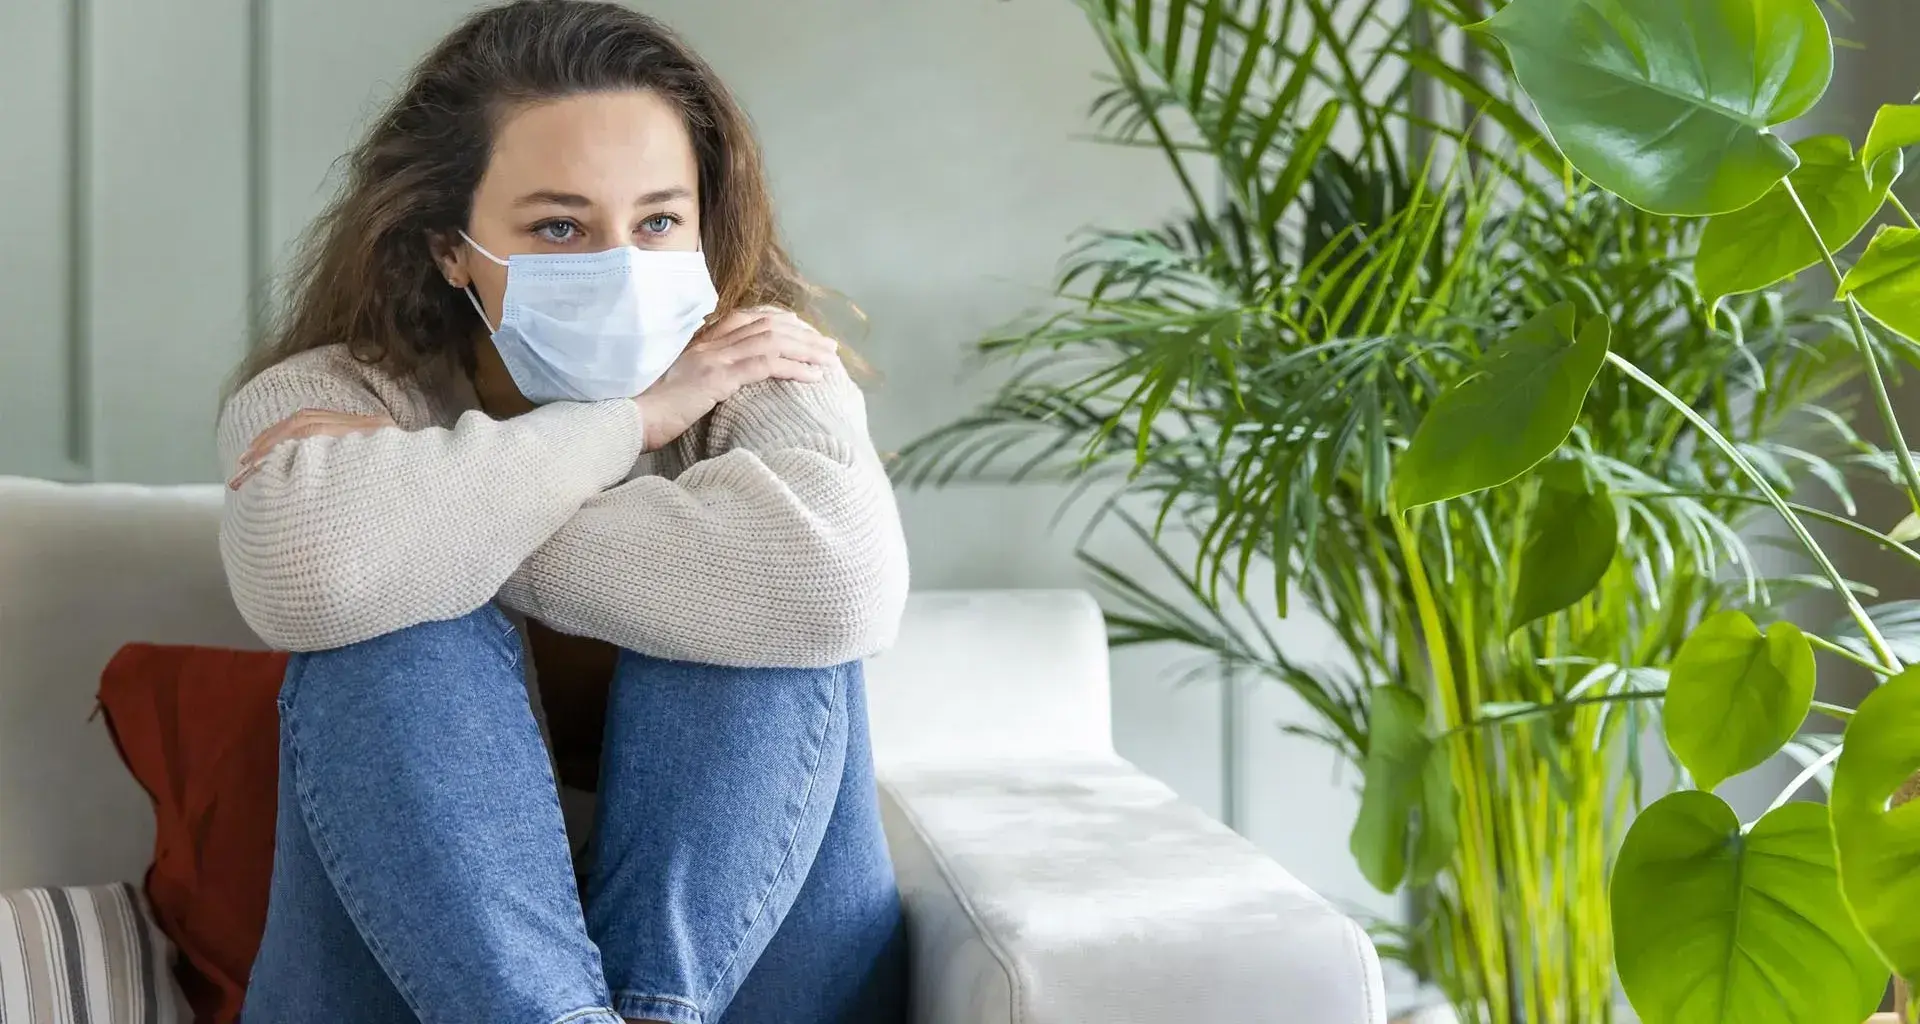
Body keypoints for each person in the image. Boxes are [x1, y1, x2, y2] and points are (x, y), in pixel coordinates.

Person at [216, 3, 910, 1022]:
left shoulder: (761, 365)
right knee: (386, 635)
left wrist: (435, 516)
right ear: (450, 249)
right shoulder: (328, 397)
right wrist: (631, 423)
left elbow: (836, 585)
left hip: (760, 976)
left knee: (751, 612)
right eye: (558, 228)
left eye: (658, 222)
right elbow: (311, 574)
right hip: (409, 988)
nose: (619, 263)